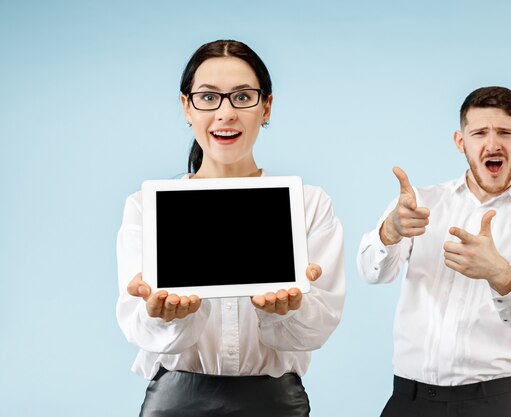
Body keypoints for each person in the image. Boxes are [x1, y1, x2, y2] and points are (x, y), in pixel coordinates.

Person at [116, 39, 345, 417]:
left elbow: (317, 329)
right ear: (186, 106)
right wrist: (167, 316)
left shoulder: (308, 204)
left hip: (275, 405)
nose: (225, 113)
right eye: (208, 98)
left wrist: (286, 311)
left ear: (266, 106)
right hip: (175, 402)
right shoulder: (145, 208)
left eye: (242, 97)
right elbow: (139, 328)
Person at [356, 86, 511, 417]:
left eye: (505, 133)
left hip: (490, 404)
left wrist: (499, 274)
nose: (493, 144)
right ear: (461, 141)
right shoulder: (420, 203)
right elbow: (373, 273)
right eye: (480, 132)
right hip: (409, 401)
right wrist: (390, 231)